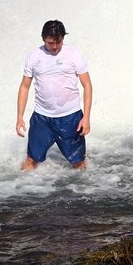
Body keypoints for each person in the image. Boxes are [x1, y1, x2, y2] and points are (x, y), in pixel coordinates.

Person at [15, 20, 93, 170]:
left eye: (59, 42)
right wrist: (19, 117)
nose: (55, 47)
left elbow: (87, 85)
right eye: (51, 43)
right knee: (31, 161)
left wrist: (86, 118)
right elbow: (24, 87)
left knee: (79, 164)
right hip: (42, 118)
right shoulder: (34, 56)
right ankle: (21, 184)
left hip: (71, 117)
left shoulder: (74, 54)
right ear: (43, 39)